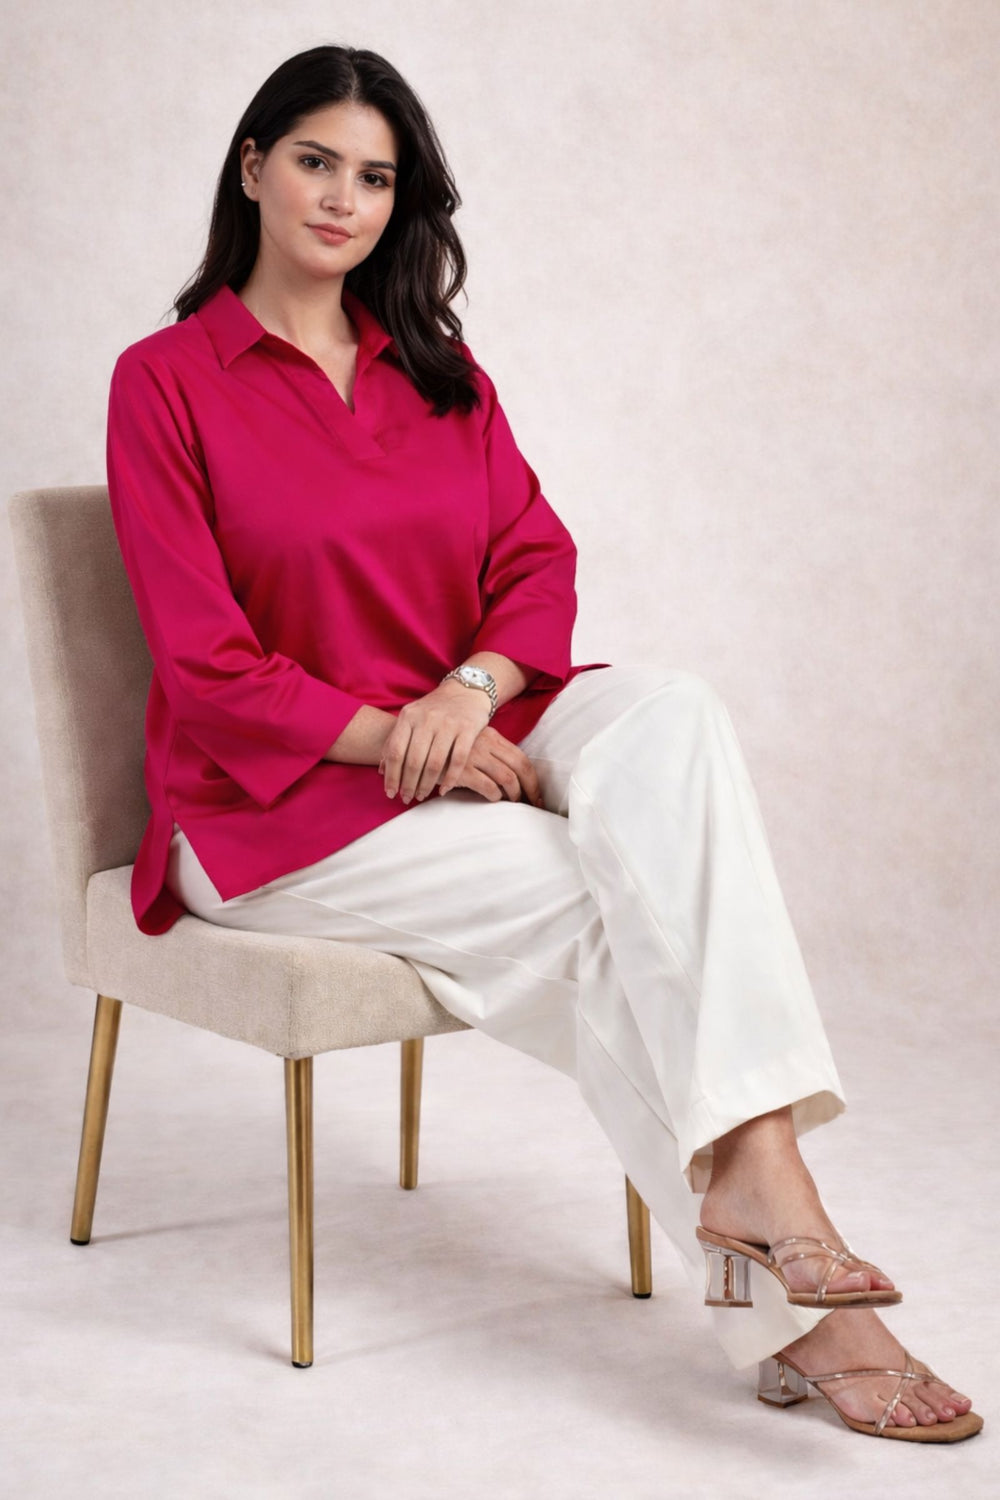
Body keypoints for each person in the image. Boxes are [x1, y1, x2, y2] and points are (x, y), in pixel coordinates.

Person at [106, 44, 981, 1442]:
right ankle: (808, 1304)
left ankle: (760, 1184)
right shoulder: (166, 381)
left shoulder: (437, 370)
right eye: (316, 162)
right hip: (275, 806)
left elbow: (535, 560)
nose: (342, 199)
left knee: (673, 715)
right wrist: (408, 738)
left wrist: (467, 692)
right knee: (596, 905)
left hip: (474, 720)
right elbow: (208, 672)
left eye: (374, 177)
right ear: (254, 167)